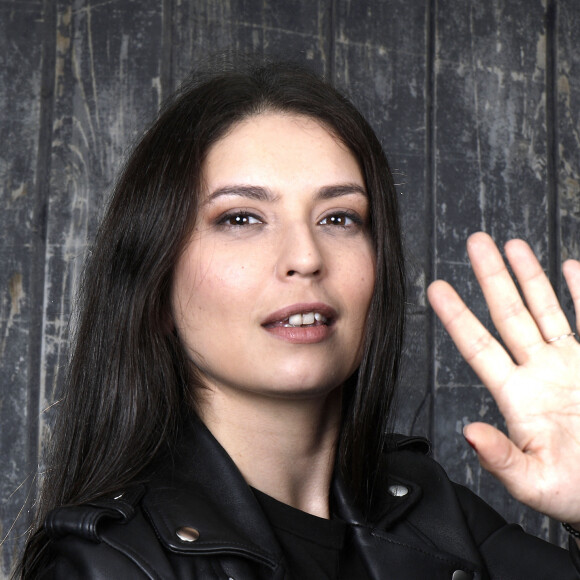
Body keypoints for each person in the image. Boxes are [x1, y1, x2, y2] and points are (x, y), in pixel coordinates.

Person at [17, 60, 580, 579]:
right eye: (241, 217)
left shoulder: (431, 508)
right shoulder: (104, 564)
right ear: (156, 285)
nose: (306, 257)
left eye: (339, 217)